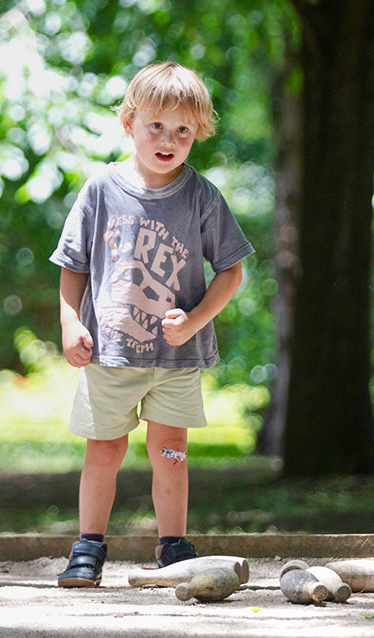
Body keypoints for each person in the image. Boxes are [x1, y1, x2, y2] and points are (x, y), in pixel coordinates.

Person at [50, 61, 254, 587]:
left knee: (172, 454)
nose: (168, 140)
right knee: (105, 449)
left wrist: (194, 321)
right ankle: (88, 547)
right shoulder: (100, 189)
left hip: (175, 358)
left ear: (198, 133)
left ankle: (173, 549)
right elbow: (74, 267)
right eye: (156, 127)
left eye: (182, 130)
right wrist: (71, 323)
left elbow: (231, 271)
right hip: (110, 355)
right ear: (129, 123)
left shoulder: (201, 196)